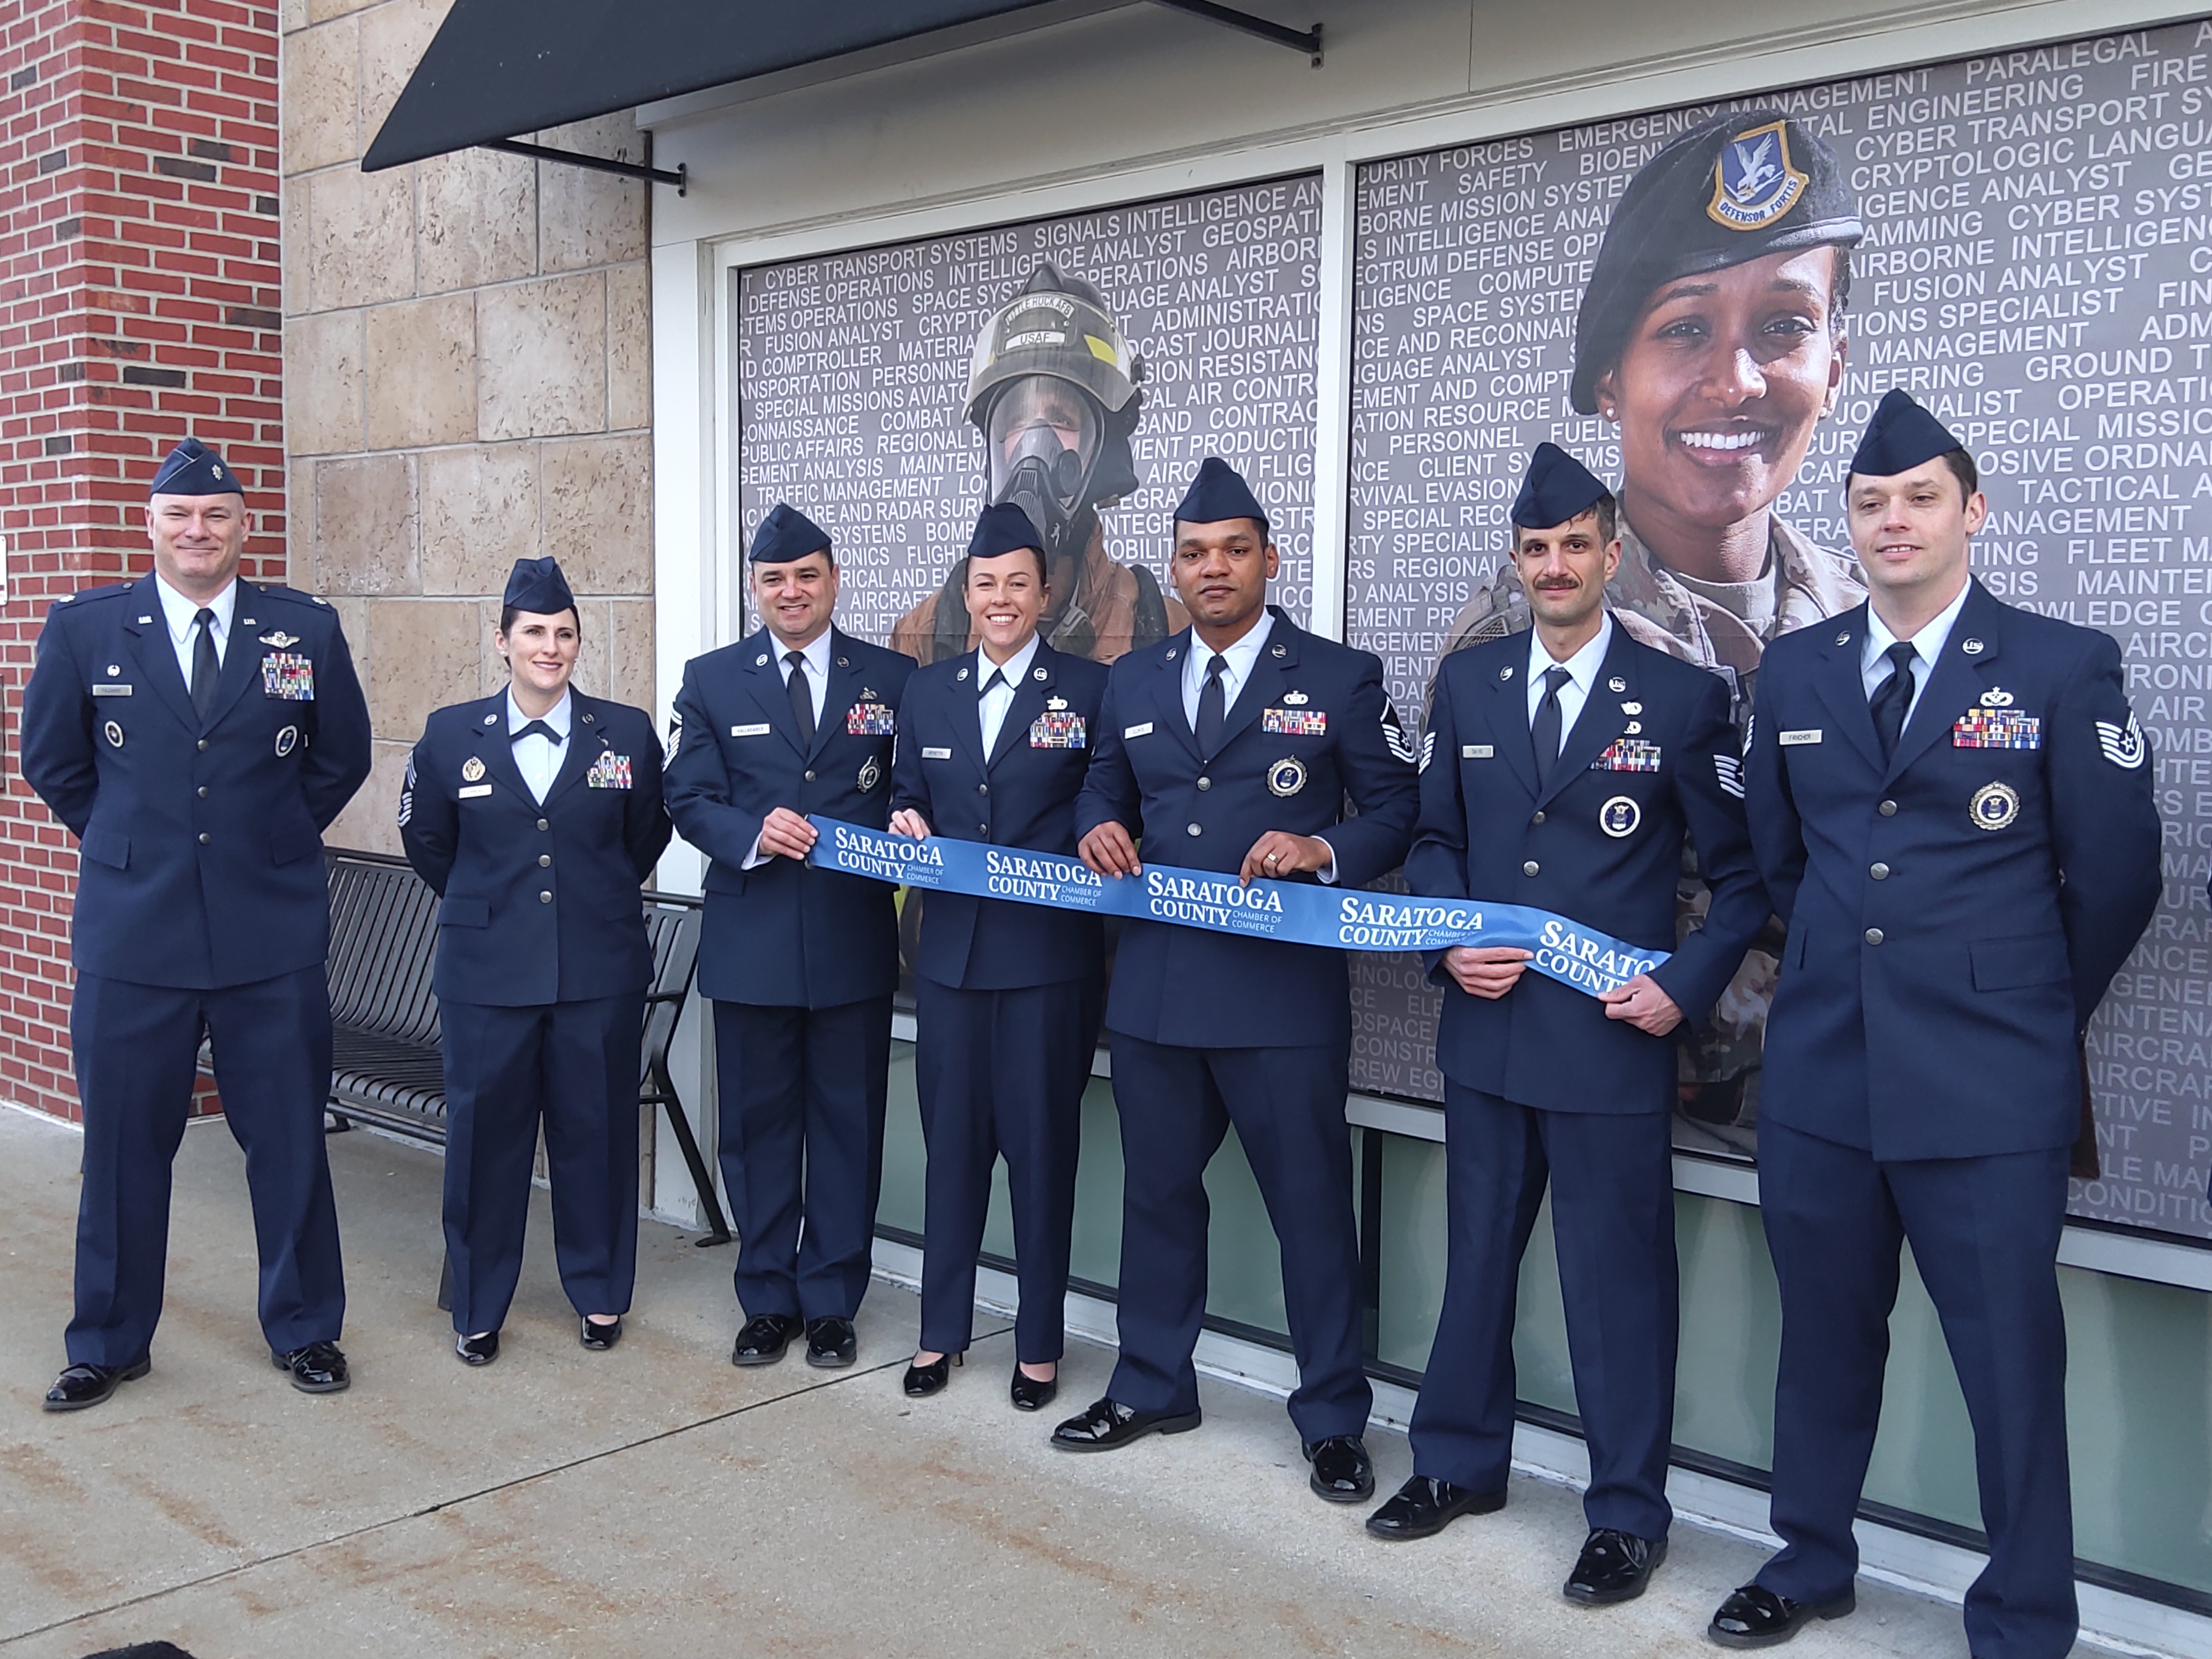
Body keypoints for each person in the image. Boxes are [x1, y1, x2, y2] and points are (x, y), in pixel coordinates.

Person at [1715, 391, 2161, 1654]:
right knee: (1820, 1339)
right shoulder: (1796, 668)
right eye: (1867, 504)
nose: (1890, 521)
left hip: (1984, 1083)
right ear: (1844, 524)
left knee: (2008, 1363)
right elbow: (1782, 863)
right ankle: (1805, 1561)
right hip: (1821, 1075)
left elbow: (2117, 873)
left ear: (1970, 512)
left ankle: (2022, 1615)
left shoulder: (2056, 665)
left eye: (1917, 499)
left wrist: (2016, 1002)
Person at [1371, 445, 1766, 1604]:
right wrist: (1447, 935)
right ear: (1518, 559)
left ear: (1611, 555)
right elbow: (1436, 836)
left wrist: (1683, 990)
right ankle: (1455, 1466)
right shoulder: (1474, 685)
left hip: (1612, 1039)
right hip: (1489, 1036)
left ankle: (1628, 1517)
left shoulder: (1686, 698)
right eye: (1535, 549)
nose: (1554, 566)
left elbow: (1740, 879)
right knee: (1477, 1262)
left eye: (1574, 547)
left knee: (1615, 1285)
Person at [1439, 109, 1867, 1134]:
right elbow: (1463, 848)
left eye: (1784, 325)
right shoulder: (1504, 641)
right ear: (1606, 378)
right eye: (1682, 329)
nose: (1737, 380)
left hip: (1840, 1090)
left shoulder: (1863, 631)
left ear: (1834, 364)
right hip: (1592, 1064)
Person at [1053, 456, 1418, 1504]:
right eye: (1194, 553)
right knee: (1158, 1202)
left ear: (1268, 559)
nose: (1213, 569)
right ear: (1175, 565)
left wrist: (1324, 850)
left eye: (1233, 551)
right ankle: (1154, 1382)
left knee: (1310, 1212)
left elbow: (1398, 808)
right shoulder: (1134, 678)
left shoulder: (1341, 676)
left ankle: (1334, 1420)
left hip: (1280, 1003)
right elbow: (1099, 787)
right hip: (1160, 992)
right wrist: (1098, 827)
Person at [20, 436, 372, 1408]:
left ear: (242, 526)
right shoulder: (89, 629)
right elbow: (54, 761)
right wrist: (133, 841)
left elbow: (341, 754)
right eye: (179, 514)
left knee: (291, 1139)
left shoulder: (302, 630)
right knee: (127, 1147)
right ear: (152, 524)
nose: (197, 530)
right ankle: (107, 1340)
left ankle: (306, 1328)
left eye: (216, 514)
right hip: (136, 936)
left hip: (271, 935)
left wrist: (272, 837)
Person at [398, 556, 671, 1365]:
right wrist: (502, 911)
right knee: (487, 1143)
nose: (550, 648)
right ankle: (479, 1308)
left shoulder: (624, 733)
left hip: (597, 971)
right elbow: (430, 844)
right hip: (488, 976)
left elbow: (643, 838)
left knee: (596, 1138)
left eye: (564, 634)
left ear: (578, 643)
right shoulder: (452, 735)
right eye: (534, 634)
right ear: (503, 642)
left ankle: (599, 1295)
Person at [664, 503, 916, 1370]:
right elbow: (686, 797)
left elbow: (909, 786)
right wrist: (748, 831)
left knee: (848, 1125)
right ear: (755, 590)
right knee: (759, 1129)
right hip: (752, 942)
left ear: (832, 579)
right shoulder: (709, 679)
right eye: (774, 579)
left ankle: (833, 1297)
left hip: (850, 941)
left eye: (806, 575)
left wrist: (912, 812)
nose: (791, 591)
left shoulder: (890, 676)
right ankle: (767, 1297)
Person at [887, 502, 1109, 1409]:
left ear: (1045, 592)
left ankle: (1038, 1347)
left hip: (1047, 966)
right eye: (985, 584)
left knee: (1040, 1153)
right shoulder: (926, 692)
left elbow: (1103, 804)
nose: (1002, 598)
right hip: (947, 964)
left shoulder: (1090, 693)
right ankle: (940, 1331)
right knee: (952, 1153)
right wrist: (902, 817)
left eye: (1018, 581)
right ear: (966, 595)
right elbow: (907, 791)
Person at [890, 261, 1185, 667]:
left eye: (1061, 420)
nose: (1035, 444)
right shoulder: (929, 634)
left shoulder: (1160, 628)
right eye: (1017, 422)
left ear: (1102, 449)